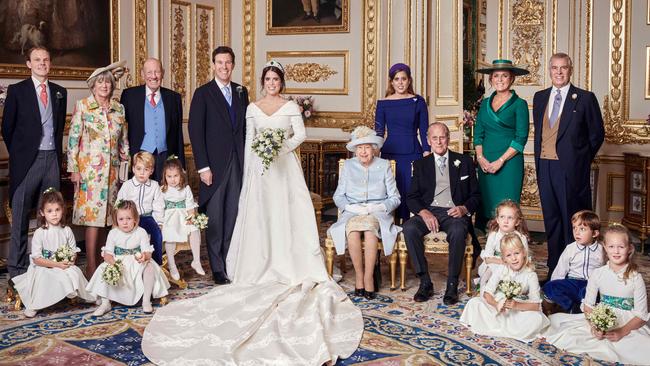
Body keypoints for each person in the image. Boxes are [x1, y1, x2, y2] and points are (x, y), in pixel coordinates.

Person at [142, 60, 363, 365]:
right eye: (268, 79)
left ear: (281, 82)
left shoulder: (290, 107)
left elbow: (299, 136)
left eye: (276, 79)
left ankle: (289, 262)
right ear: (263, 81)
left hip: (285, 170)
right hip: (260, 172)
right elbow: (247, 143)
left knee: (286, 217)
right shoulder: (252, 107)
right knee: (260, 219)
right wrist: (250, 172)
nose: (272, 83)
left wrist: (280, 146)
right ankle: (259, 263)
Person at [533, 53, 605, 277]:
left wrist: (579, 161)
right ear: (549, 70)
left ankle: (575, 273)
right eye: (554, 68)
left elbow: (597, 135)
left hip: (571, 171)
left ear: (570, 70)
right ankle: (555, 272)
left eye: (563, 68)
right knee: (552, 221)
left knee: (572, 223)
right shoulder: (540, 97)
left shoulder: (584, 98)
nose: (559, 72)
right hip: (545, 167)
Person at [2, 47, 67, 281]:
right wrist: (21, 155)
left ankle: (49, 270)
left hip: (52, 159)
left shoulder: (60, 92)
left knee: (52, 216)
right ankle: (17, 273)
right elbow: (7, 128)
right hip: (27, 162)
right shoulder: (17, 91)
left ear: (50, 63)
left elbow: (58, 129)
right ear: (28, 63)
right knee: (19, 217)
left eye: (46, 60)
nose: (42, 63)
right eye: (37, 60)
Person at [543, 225, 650, 364]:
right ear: (604, 247)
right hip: (602, 317)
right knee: (568, 334)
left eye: (621, 247)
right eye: (611, 246)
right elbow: (588, 306)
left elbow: (641, 315)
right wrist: (595, 326)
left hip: (628, 321)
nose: (616, 251)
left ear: (629, 248)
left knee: (641, 349)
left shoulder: (636, 278)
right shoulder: (598, 274)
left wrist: (622, 331)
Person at [187, 46, 249, 285]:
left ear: (233, 65)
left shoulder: (241, 92)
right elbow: (195, 130)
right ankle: (218, 269)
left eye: (228, 63)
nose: (224, 67)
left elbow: (245, 128)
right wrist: (203, 167)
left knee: (233, 215)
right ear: (213, 65)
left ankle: (230, 262)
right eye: (220, 62)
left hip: (238, 162)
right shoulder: (203, 93)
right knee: (214, 218)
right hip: (213, 166)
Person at [402, 122, 480, 305]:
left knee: (459, 231)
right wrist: (424, 213)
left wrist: (463, 208)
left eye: (442, 137)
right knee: (409, 229)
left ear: (448, 139)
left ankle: (452, 283)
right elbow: (411, 197)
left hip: (453, 212)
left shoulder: (465, 161)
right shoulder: (420, 165)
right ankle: (425, 282)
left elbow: (476, 196)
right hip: (429, 210)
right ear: (428, 140)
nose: (438, 141)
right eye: (434, 138)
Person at [67, 60, 130, 276]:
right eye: (100, 82)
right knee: (92, 218)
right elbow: (73, 140)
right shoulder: (83, 106)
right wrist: (73, 169)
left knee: (107, 218)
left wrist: (125, 166)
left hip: (112, 173)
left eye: (108, 82)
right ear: (93, 85)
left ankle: (103, 263)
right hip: (89, 173)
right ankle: (91, 266)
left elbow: (124, 141)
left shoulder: (119, 108)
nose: (104, 86)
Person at [328, 126, 401, 299]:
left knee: (369, 231)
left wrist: (376, 208)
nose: (363, 151)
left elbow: (395, 198)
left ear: (373, 148)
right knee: (352, 231)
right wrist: (351, 208)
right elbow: (338, 196)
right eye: (359, 147)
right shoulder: (348, 165)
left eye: (367, 147)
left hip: (377, 212)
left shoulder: (384, 166)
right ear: (355, 150)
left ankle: (369, 277)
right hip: (352, 211)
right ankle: (359, 276)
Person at [12, 189, 96, 318]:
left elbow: (73, 251)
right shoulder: (40, 232)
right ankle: (35, 304)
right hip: (45, 265)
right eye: (50, 211)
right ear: (42, 213)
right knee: (43, 276)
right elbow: (37, 259)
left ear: (63, 210)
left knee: (75, 272)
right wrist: (56, 265)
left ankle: (88, 297)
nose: (54, 214)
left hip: (63, 264)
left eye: (57, 210)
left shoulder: (66, 230)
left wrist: (70, 260)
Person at [460, 233, 549, 342]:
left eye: (517, 253)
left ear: (524, 253)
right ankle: (505, 327)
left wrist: (516, 305)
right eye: (509, 255)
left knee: (537, 319)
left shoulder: (530, 275)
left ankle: (500, 327)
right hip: (498, 307)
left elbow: (536, 305)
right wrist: (496, 304)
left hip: (518, 310)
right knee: (474, 303)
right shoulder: (501, 269)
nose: (514, 258)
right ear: (504, 258)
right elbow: (487, 293)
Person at [87, 200, 169, 316]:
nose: (125, 222)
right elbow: (107, 254)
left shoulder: (141, 232)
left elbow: (148, 251)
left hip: (136, 262)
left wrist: (144, 257)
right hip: (118, 261)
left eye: (128, 219)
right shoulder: (113, 233)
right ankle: (105, 303)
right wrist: (112, 263)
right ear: (116, 220)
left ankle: (146, 300)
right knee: (103, 268)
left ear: (135, 219)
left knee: (150, 267)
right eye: (121, 219)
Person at [473, 60, 530, 230]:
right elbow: (478, 134)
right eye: (496, 76)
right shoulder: (484, 103)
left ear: (511, 79)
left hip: (509, 163)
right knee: (488, 205)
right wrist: (480, 158)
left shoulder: (520, 104)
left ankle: (510, 246)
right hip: (486, 162)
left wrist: (501, 161)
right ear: (491, 79)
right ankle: (491, 247)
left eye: (504, 76)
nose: (500, 79)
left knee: (508, 206)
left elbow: (521, 139)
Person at [375, 63, 431, 222]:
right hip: (390, 152)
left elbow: (424, 128)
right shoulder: (383, 103)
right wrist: (375, 155)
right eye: (396, 79)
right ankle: (389, 225)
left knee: (410, 190)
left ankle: (410, 225)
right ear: (391, 82)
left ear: (409, 81)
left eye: (403, 79)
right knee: (391, 189)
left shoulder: (418, 101)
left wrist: (426, 152)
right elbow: (379, 132)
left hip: (413, 152)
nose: (400, 82)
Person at [120, 58, 184, 181]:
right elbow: (119, 127)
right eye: (149, 72)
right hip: (139, 157)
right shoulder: (129, 95)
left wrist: (181, 165)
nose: (153, 76)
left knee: (164, 195)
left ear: (163, 73)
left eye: (157, 72)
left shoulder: (174, 98)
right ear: (142, 75)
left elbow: (178, 135)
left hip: (165, 156)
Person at [542, 210, 604, 315]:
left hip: (591, 284)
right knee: (550, 287)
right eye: (574, 228)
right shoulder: (571, 249)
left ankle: (583, 307)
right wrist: (556, 284)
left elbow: (606, 270)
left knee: (591, 293)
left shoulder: (601, 250)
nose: (577, 232)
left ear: (594, 233)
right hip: (572, 283)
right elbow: (561, 269)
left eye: (582, 229)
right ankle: (571, 307)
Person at [159, 156, 205, 280]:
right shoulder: (162, 190)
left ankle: (196, 260)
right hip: (169, 217)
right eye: (169, 176)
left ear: (181, 175)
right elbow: (159, 208)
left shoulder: (185, 189)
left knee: (194, 229)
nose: (173, 180)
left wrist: (191, 217)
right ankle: (172, 265)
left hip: (183, 216)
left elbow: (190, 205)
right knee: (170, 235)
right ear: (165, 176)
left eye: (176, 176)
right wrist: (160, 222)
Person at [116, 152, 165, 265]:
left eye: (146, 169)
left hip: (147, 217)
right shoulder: (127, 185)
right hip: (131, 218)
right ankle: (127, 261)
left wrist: (159, 222)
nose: (142, 173)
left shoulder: (154, 185)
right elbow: (119, 203)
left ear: (151, 171)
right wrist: (121, 220)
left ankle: (156, 264)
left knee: (156, 234)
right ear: (133, 169)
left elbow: (158, 205)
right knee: (129, 236)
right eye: (139, 169)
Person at [477, 199, 529, 292]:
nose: (505, 221)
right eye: (502, 217)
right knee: (489, 271)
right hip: (495, 263)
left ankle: (510, 290)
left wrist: (512, 263)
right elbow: (487, 258)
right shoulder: (493, 235)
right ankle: (484, 289)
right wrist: (502, 261)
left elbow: (525, 258)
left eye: (510, 218)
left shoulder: (521, 238)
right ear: (497, 219)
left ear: (517, 222)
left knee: (518, 281)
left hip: (514, 264)